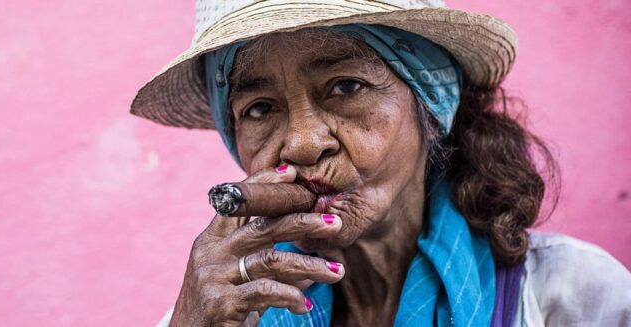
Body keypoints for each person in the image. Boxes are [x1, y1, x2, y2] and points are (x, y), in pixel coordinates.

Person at [131, 1, 631, 326]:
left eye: (347, 86)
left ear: (430, 106)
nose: (303, 144)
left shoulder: (569, 296)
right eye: (259, 109)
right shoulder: (222, 313)